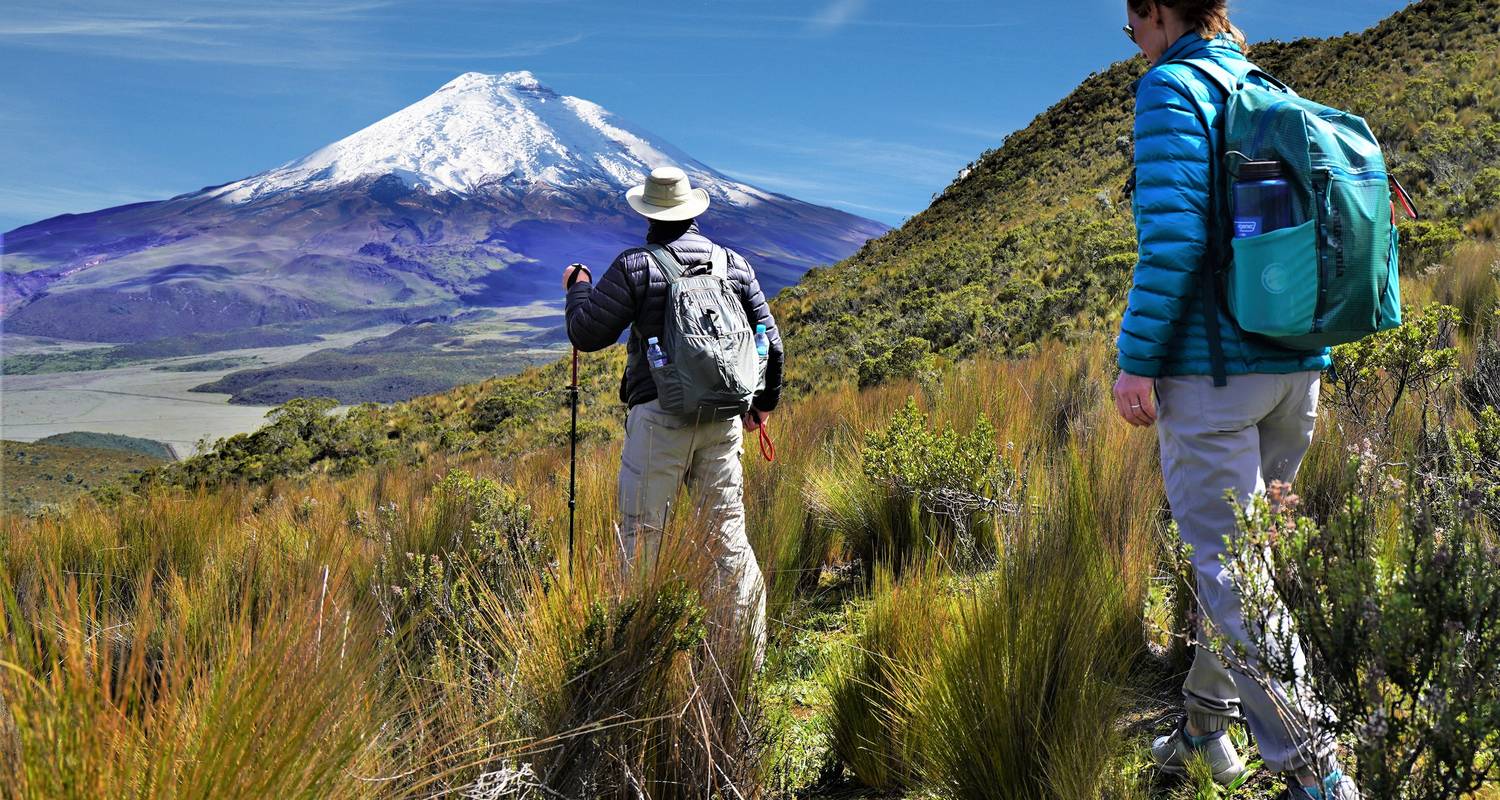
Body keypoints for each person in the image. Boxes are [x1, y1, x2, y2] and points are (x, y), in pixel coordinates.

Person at [1112, 2, 1360, 799]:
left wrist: (1136, 361)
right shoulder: (1258, 83)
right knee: (1250, 565)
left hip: (1215, 376)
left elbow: (1175, 241)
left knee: (1232, 575)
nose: (1133, 42)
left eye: (1132, 24)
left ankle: (1316, 773)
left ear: (1156, 11)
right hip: (1297, 368)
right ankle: (1204, 729)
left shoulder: (1170, 88)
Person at [561, 165, 782, 663]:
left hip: (660, 420)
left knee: (643, 536)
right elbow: (771, 342)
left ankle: (639, 660)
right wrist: (760, 406)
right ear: (692, 212)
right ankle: (744, 657)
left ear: (648, 213)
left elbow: (587, 334)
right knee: (725, 535)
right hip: (724, 420)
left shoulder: (637, 267)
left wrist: (577, 287)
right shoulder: (734, 265)